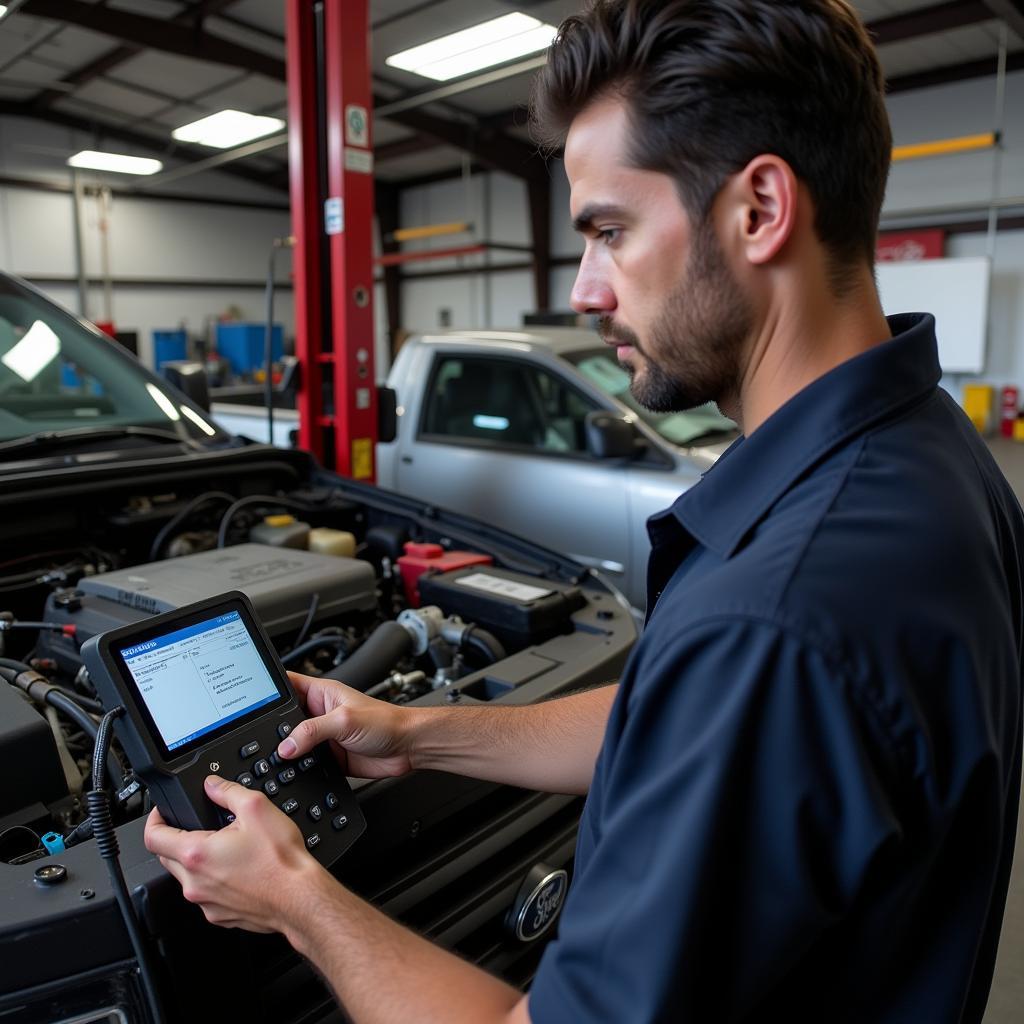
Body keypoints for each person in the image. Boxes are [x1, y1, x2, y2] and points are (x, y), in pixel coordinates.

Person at [145, 1, 1024, 1021]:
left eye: (609, 230)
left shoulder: (774, 613)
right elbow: (685, 729)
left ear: (759, 209)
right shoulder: (933, 458)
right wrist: (421, 731)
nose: (585, 288)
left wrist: (296, 899)